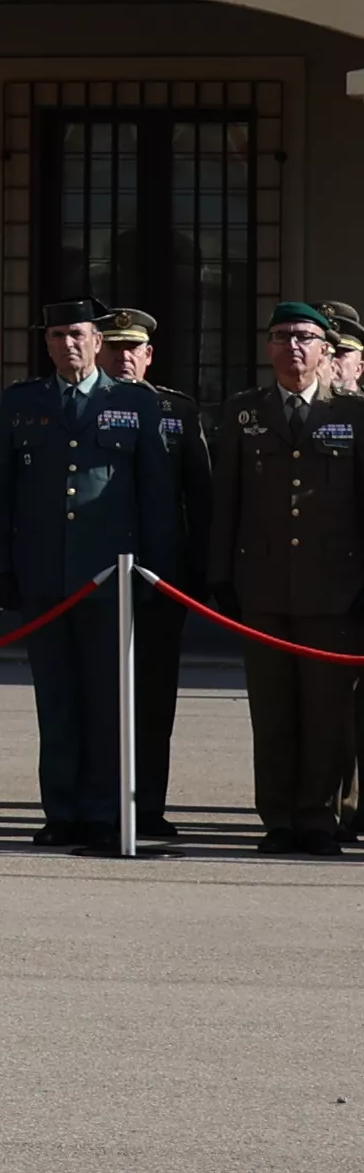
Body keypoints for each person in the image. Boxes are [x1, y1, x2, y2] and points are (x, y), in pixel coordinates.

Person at [0, 297, 180, 853]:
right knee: (56, 699)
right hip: (44, 573)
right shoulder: (22, 402)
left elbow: (156, 495)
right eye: (57, 335)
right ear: (46, 343)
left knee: (106, 700)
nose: (68, 344)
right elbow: (0, 493)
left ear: (97, 341)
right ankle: (61, 810)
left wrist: (157, 572)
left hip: (110, 576)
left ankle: (102, 811)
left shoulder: (136, 402)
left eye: (78, 334)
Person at [202, 305, 357, 855]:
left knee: (326, 713)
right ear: (268, 347)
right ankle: (278, 818)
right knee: (272, 711)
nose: (293, 346)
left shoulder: (354, 414)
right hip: (262, 585)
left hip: (334, 589)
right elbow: (226, 500)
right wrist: (220, 574)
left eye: (305, 337)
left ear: (325, 350)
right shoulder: (244, 412)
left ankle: (317, 818)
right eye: (282, 336)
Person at [98, 308, 208, 841]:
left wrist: (199, 573)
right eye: (114, 347)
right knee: (96, 695)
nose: (123, 357)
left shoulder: (177, 411)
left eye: (133, 348)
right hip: (95, 575)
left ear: (148, 355)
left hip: (160, 576)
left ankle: (149, 805)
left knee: (155, 696)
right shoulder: (83, 405)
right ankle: (98, 806)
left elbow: (200, 497)